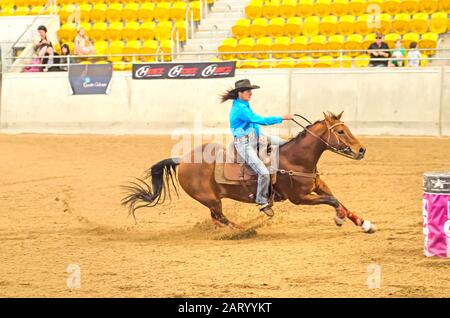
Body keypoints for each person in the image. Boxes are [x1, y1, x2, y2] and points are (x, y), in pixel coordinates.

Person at [221, 79, 293, 217]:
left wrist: (262, 137)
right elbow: (260, 120)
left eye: (251, 91)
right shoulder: (240, 109)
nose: (251, 94)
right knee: (263, 172)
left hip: (256, 138)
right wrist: (282, 117)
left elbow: (254, 125)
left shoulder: (244, 104)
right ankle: (262, 201)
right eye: (248, 91)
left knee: (287, 145)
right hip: (244, 145)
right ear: (240, 93)